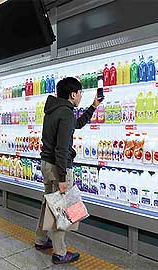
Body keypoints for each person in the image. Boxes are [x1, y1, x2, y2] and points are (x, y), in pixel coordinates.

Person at [35, 77, 102, 264]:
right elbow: (62, 148)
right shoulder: (65, 112)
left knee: (49, 203)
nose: (81, 96)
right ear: (73, 94)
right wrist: (63, 177)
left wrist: (93, 106)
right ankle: (60, 252)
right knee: (61, 209)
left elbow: (76, 125)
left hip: (47, 164)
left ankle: (40, 240)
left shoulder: (54, 109)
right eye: (80, 93)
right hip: (58, 167)